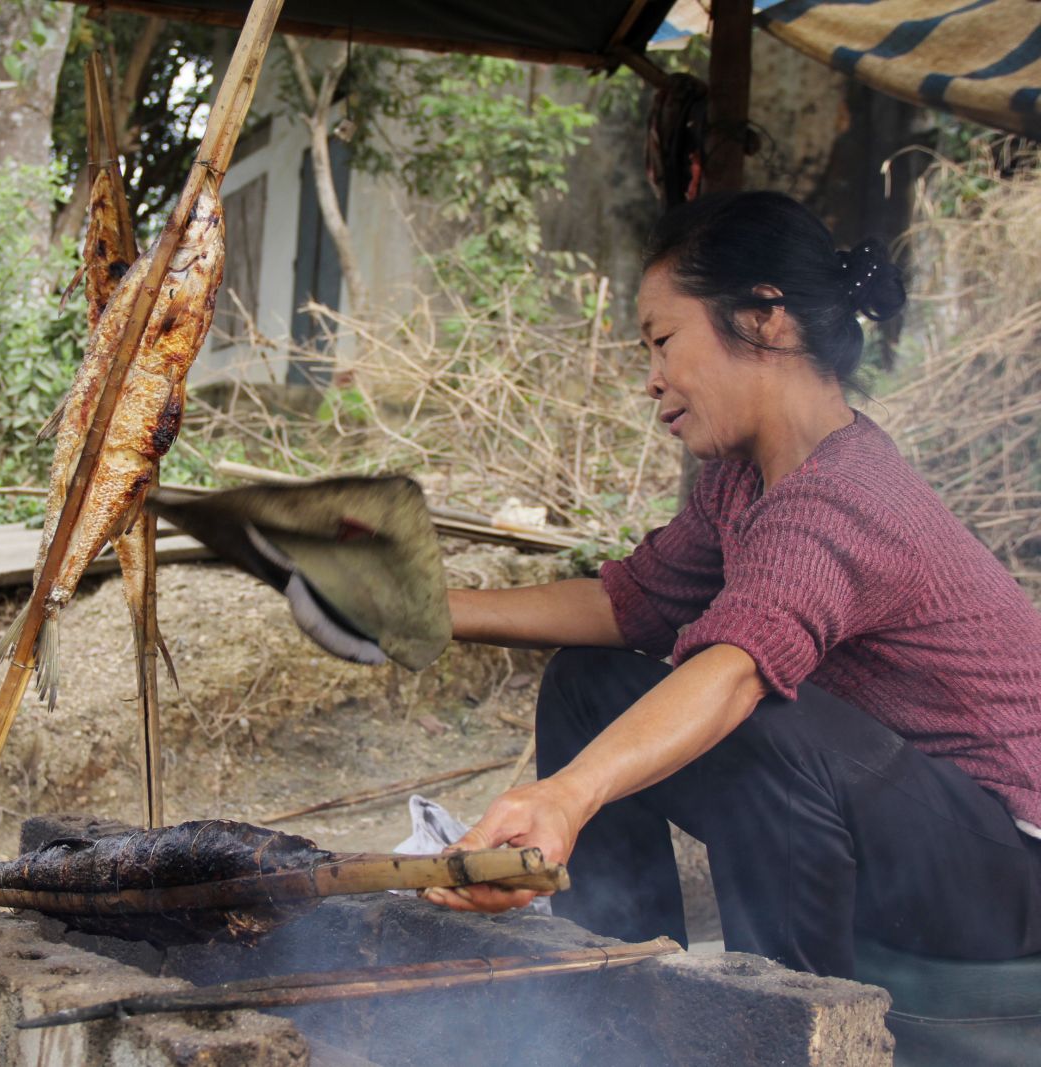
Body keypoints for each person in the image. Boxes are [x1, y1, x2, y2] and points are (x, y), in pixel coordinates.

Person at [422, 191, 1041, 979]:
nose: (652, 379)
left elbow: (736, 670)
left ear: (764, 317)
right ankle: (613, 979)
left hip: (1006, 865)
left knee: (762, 723)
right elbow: (630, 602)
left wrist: (567, 797)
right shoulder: (740, 484)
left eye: (663, 340)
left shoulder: (846, 495)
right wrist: (429, 613)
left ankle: (786, 1022)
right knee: (588, 683)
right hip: (911, 830)